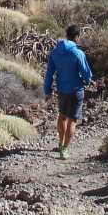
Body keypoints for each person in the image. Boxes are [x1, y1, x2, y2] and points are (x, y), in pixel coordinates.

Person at [43, 24, 93, 159]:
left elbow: (49, 74)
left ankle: (60, 143)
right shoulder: (78, 53)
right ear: (77, 37)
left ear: (66, 35)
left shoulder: (55, 52)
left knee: (62, 116)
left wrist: (47, 89)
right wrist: (87, 81)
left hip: (62, 91)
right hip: (76, 90)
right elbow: (87, 74)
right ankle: (64, 149)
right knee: (72, 120)